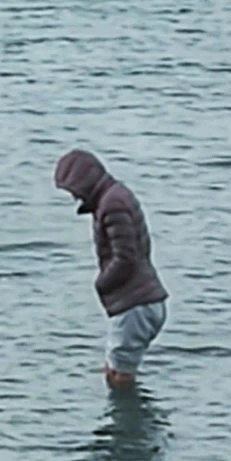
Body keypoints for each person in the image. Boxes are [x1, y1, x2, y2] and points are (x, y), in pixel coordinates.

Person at [55, 149, 168, 389]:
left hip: (134, 304)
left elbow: (125, 257)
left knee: (119, 377)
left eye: (72, 189)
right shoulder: (112, 198)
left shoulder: (113, 204)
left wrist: (102, 283)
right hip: (139, 301)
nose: (74, 196)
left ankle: (128, 425)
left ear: (83, 182)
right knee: (115, 368)